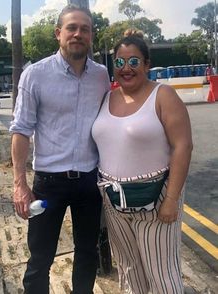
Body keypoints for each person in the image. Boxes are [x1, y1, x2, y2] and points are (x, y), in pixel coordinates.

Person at [9, 4, 110, 294]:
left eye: (85, 29)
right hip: (48, 186)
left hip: (90, 183)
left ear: (91, 35)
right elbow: (20, 130)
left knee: (87, 253)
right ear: (58, 33)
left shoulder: (101, 76)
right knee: (40, 258)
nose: (78, 34)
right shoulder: (36, 75)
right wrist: (20, 184)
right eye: (72, 28)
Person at [92, 29, 193, 294]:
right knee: (129, 269)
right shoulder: (107, 97)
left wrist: (171, 200)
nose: (126, 68)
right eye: (120, 62)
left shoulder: (163, 96)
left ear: (147, 64)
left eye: (134, 61)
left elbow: (183, 146)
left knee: (162, 275)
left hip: (157, 199)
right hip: (114, 201)